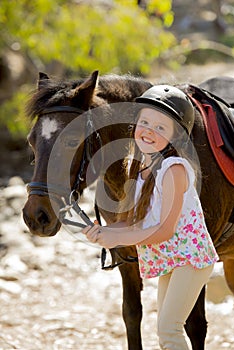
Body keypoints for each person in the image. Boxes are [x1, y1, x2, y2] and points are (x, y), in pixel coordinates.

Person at [82, 85, 219, 350]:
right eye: (144, 122)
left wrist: (117, 237)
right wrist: (105, 233)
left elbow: (164, 230)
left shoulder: (173, 170)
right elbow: (135, 221)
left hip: (190, 258)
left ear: (175, 137)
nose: (148, 131)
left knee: (169, 330)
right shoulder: (141, 168)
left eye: (160, 128)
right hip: (174, 258)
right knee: (165, 330)